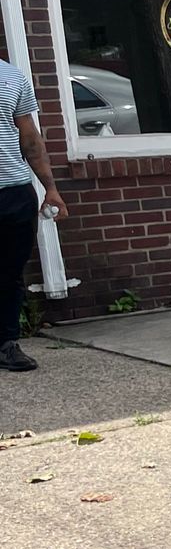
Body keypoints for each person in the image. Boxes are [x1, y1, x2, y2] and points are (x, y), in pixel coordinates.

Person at [1, 56, 67, 373]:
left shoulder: (12, 77)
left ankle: (7, 344)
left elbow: (29, 136)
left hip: (14, 190)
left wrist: (49, 188)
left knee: (10, 272)